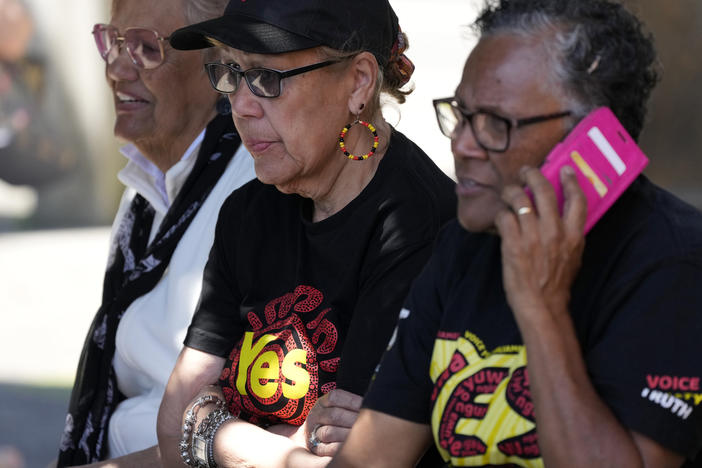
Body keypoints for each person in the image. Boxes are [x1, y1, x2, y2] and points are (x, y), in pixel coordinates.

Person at [329, 0, 702, 467]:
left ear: (592, 135)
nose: (462, 143)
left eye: (495, 124)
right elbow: (369, 458)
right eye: (462, 114)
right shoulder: (466, 244)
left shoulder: (672, 264)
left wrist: (542, 309)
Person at [154, 0, 456, 466]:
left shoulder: (417, 223)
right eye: (231, 71)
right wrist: (277, 446)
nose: (239, 104)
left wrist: (212, 425)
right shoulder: (247, 212)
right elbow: (174, 424)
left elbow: (356, 457)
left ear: (358, 82)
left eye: (266, 77)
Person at [57, 0, 255, 465]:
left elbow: (253, 422)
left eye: (145, 47)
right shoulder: (147, 185)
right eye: (111, 42)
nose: (117, 70)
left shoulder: (253, 184)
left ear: (218, 67)